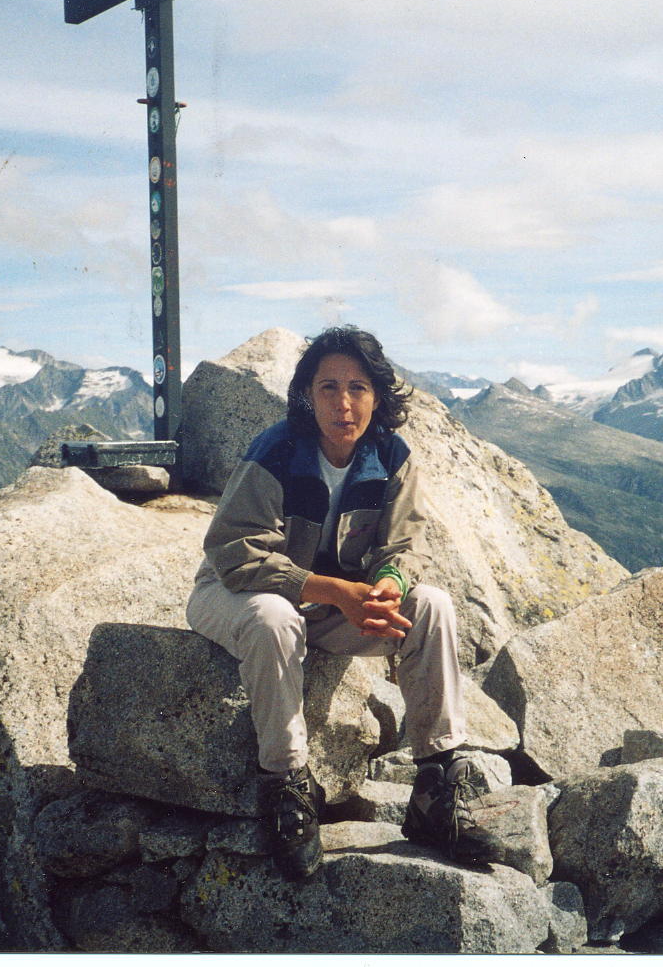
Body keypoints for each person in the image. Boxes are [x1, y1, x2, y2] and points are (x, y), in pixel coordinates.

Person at [187, 326, 478, 880]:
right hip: (236, 593)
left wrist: (388, 583)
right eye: (327, 388)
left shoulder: (392, 457)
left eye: (358, 387)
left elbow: (403, 546)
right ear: (307, 395)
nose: (343, 404)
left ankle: (437, 786)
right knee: (274, 618)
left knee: (432, 607)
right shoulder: (275, 452)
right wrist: (335, 592)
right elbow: (234, 550)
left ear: (378, 395)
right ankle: (289, 789)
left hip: (326, 608)